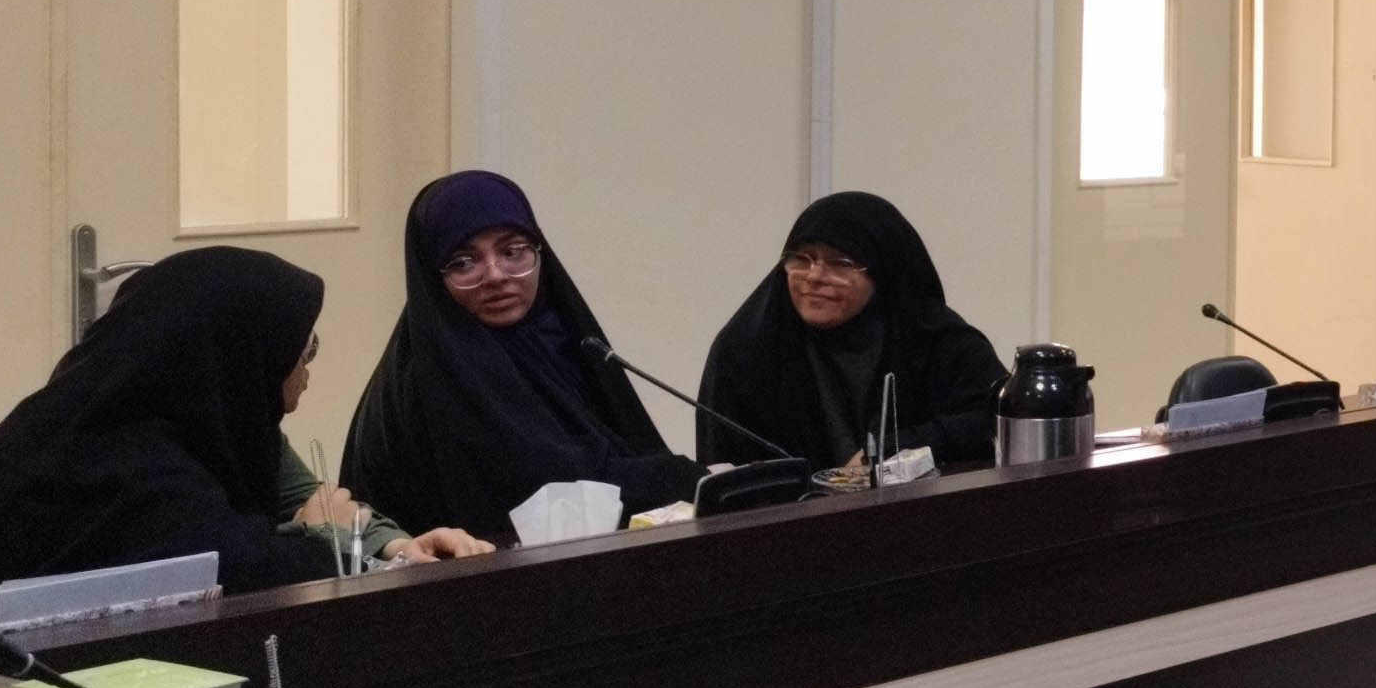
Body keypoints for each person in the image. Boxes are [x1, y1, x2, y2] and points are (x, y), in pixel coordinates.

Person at [0, 248, 488, 612]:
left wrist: (395, 549)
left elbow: (312, 499)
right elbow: (245, 574)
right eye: (302, 350)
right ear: (239, 353)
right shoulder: (115, 464)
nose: (307, 369)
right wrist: (327, 543)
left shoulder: (203, 419)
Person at [342, 171, 692, 542]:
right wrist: (684, 476)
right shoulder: (435, 372)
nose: (495, 275)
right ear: (432, 277)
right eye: (463, 262)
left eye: (512, 252)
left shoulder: (560, 340)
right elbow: (550, 492)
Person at [696, 192, 1008, 475]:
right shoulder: (746, 351)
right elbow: (723, 475)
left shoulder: (936, 339)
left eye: (840, 263)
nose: (815, 276)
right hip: (789, 518)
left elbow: (1001, 420)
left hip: (924, 513)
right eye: (802, 258)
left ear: (882, 272)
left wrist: (894, 449)